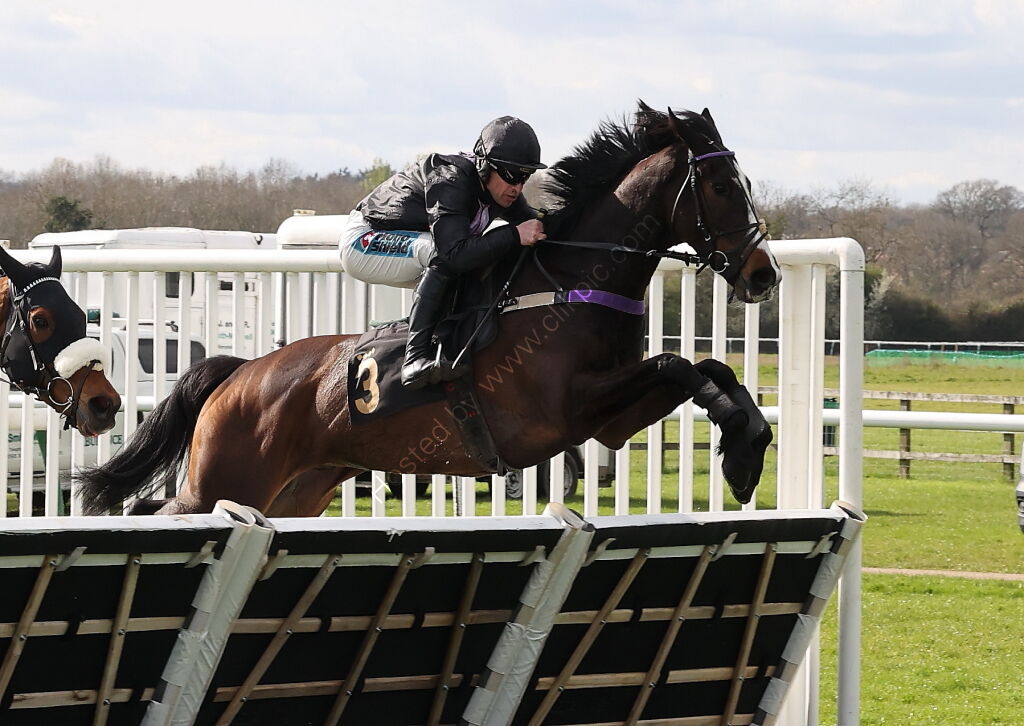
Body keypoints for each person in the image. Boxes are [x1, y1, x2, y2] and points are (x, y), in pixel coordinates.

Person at [344, 116, 547, 389]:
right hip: (365, 240)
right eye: (512, 175)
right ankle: (414, 359)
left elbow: (537, 226)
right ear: (486, 166)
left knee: (476, 256)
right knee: (444, 255)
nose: (518, 187)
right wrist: (513, 234)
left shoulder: (502, 191)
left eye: (525, 176)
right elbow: (453, 254)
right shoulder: (450, 178)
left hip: (406, 241)